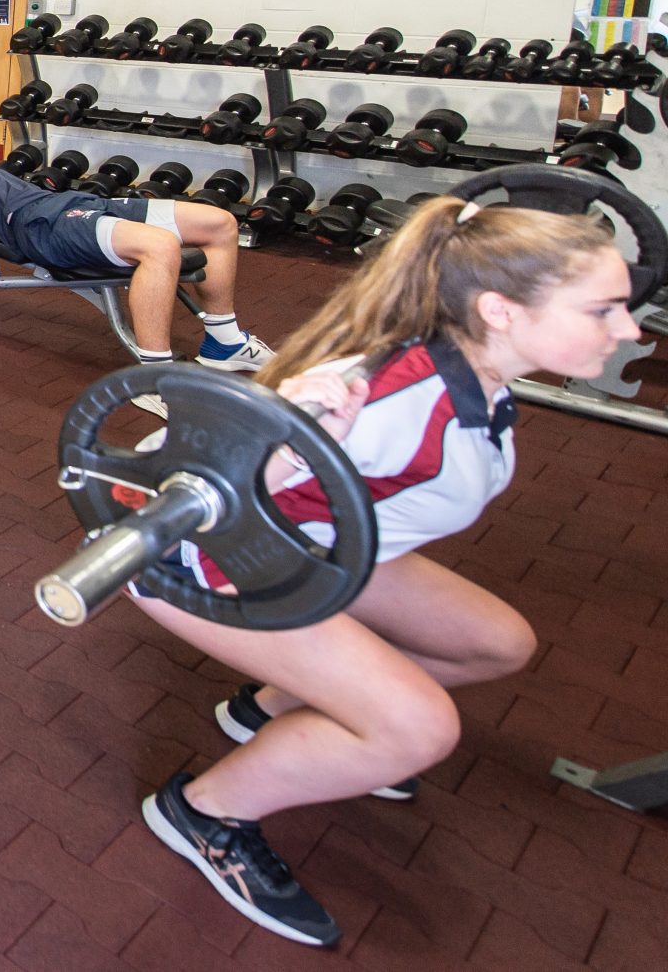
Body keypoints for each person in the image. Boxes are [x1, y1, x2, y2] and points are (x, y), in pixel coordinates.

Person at [129, 196, 635, 948]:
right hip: (204, 551)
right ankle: (206, 812)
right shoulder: (389, 396)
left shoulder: (477, 372)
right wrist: (285, 441)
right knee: (419, 728)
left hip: (318, 544)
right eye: (602, 310)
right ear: (499, 310)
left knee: (497, 642)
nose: (629, 330)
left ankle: (268, 710)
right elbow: (192, 478)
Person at [0, 43, 270, 369]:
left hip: (66, 203)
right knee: (161, 247)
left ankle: (224, 342)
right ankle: (154, 374)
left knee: (219, 223)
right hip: (38, 225)